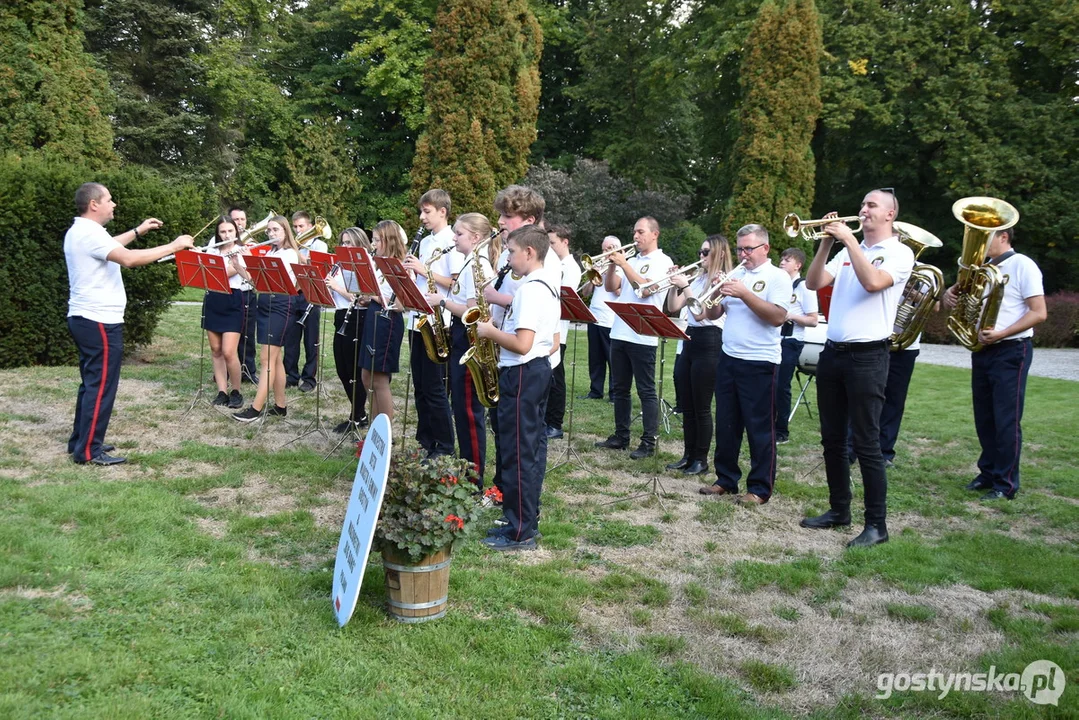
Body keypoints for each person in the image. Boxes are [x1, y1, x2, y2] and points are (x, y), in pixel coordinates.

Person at [801, 189, 914, 547]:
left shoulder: (898, 252)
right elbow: (813, 282)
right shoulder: (852, 250)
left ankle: (876, 526)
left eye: (871, 206)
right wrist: (824, 244)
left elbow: (873, 283)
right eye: (862, 204)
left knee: (866, 442)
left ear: (890, 215)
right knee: (832, 440)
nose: (862, 210)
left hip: (869, 356)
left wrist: (849, 239)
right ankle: (839, 511)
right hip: (833, 353)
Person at [64, 182, 194, 465]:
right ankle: (88, 451)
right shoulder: (88, 233)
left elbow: (112, 247)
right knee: (101, 386)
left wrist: (139, 231)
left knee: (91, 384)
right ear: (94, 204)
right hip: (98, 320)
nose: (114, 204)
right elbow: (129, 260)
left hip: (87, 318)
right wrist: (174, 245)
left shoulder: (85, 231)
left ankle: (80, 440)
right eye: (109, 199)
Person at [942, 226, 1046, 501]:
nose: (979, 243)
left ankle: (1006, 484)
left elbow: (1039, 313)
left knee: (1006, 419)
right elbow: (963, 304)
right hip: (983, 350)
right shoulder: (980, 269)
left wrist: (1001, 333)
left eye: (986, 237)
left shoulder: (1023, 264)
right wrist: (950, 295)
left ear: (1004, 237)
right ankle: (987, 473)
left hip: (1011, 349)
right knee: (985, 418)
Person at [475, 225, 559, 551]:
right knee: (528, 449)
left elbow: (523, 344)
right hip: (535, 371)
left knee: (518, 453)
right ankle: (523, 519)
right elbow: (550, 341)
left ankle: (520, 530)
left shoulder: (530, 289)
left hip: (522, 372)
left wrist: (488, 331)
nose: (508, 258)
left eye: (511, 252)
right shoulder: (548, 284)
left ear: (529, 252)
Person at [698, 226, 792, 503]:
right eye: (740, 248)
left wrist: (744, 293)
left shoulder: (778, 277)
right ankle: (726, 479)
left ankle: (760, 488)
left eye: (748, 249)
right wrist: (715, 289)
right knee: (727, 422)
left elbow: (777, 317)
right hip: (729, 357)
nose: (742, 254)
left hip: (760, 360)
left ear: (765, 248)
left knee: (759, 427)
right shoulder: (736, 274)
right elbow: (714, 313)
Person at [484, 185, 560, 498]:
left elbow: (535, 311)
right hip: (512, 354)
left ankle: (514, 497)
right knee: (508, 433)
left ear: (528, 219)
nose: (500, 221)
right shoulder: (511, 251)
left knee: (523, 440)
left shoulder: (545, 262)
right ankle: (506, 489)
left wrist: (496, 300)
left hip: (527, 360)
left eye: (507, 216)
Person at [593, 217, 674, 459]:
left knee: (646, 391)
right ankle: (621, 436)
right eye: (634, 232)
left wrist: (625, 265)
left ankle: (649, 442)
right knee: (620, 389)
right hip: (620, 331)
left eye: (640, 232)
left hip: (643, 336)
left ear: (654, 234)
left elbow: (647, 289)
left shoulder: (663, 261)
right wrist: (611, 265)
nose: (635, 236)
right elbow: (610, 287)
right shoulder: (634, 260)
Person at [428, 213, 498, 484]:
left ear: (476, 238)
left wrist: (442, 301)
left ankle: (474, 477)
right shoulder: (471, 262)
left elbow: (473, 310)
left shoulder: (475, 265)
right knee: (461, 407)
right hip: (462, 335)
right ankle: (467, 468)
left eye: (459, 234)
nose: (454, 238)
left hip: (469, 337)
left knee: (468, 411)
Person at [665, 235, 732, 476]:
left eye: (706, 252)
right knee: (688, 404)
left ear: (719, 254)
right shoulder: (699, 278)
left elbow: (701, 313)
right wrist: (675, 284)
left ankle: (701, 459)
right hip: (690, 338)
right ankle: (688, 454)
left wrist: (685, 285)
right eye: (700, 252)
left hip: (711, 340)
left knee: (702, 406)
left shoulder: (722, 280)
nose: (701, 257)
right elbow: (673, 306)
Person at [402, 189, 457, 460]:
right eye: (421, 211)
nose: (421, 217)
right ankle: (425, 439)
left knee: (435, 388)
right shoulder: (425, 242)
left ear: (442, 211)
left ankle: (444, 444)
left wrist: (424, 270)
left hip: (440, 322)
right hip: (418, 318)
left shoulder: (452, 240)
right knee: (420, 386)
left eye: (427, 212)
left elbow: (455, 282)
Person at [232, 216, 301, 422]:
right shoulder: (272, 251)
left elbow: (275, 279)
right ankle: (280, 406)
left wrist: (250, 257)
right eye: (269, 231)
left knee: (266, 359)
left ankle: (255, 408)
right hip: (266, 303)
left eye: (276, 230)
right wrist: (238, 266)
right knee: (275, 358)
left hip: (281, 304)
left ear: (285, 231)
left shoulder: (289, 254)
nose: (271, 234)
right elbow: (258, 283)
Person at [361, 221, 408, 421]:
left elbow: (399, 304)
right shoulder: (379, 263)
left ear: (389, 241)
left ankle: (385, 433)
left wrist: (372, 296)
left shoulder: (398, 265)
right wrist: (367, 298)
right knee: (366, 377)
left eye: (377, 240)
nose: (373, 244)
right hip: (374, 318)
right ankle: (374, 429)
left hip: (387, 323)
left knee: (379, 380)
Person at [326, 227, 371, 433]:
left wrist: (336, 287)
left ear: (360, 244)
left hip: (358, 317)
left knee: (354, 369)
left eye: (349, 243)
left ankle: (358, 415)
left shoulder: (363, 265)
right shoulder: (339, 264)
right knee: (342, 369)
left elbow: (360, 298)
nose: (345, 246)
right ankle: (358, 412)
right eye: (343, 243)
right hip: (340, 315)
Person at [201, 217, 247, 410]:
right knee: (216, 350)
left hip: (233, 299)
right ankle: (222, 391)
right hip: (214, 299)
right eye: (223, 232)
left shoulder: (242, 251)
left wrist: (209, 265)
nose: (226, 235)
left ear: (236, 232)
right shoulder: (212, 251)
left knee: (229, 351)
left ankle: (236, 391)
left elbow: (226, 273)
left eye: (230, 231)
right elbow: (203, 274)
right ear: (217, 234)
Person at [775, 248, 819, 444]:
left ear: (798, 265)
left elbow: (813, 320)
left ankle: (781, 431)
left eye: (787, 259)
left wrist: (790, 316)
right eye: (782, 259)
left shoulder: (804, 287)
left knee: (781, 385)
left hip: (791, 341)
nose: (782, 262)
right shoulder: (780, 284)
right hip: (775, 339)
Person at [544, 224, 582, 439]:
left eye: (552, 243)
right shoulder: (555, 264)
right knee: (548, 377)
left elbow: (563, 298)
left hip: (559, 330)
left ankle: (555, 423)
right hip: (549, 328)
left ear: (565, 242)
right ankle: (547, 419)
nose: (549, 247)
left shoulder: (570, 267)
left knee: (556, 379)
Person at [284, 211, 326, 393]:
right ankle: (291, 375)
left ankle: (309, 378)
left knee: (311, 340)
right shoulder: (291, 245)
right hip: (293, 294)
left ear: (310, 227)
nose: (298, 230)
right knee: (291, 339)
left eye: (301, 226)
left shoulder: (320, 245)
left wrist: (296, 251)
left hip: (310, 294)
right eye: (295, 227)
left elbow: (313, 266)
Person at [580, 236, 620, 402]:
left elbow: (619, 292)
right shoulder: (598, 267)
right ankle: (595, 391)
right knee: (595, 358)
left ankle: (614, 393)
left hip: (611, 319)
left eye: (610, 248)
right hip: (594, 318)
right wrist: (593, 275)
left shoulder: (622, 268)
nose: (605, 253)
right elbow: (585, 293)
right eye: (604, 249)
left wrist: (608, 273)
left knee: (613, 359)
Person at [228, 206, 259, 384]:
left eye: (242, 220)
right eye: (236, 220)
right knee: (228, 334)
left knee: (248, 334)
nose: (240, 223)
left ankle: (248, 371)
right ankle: (226, 371)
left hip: (247, 292)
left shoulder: (251, 243)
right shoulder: (217, 240)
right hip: (229, 292)